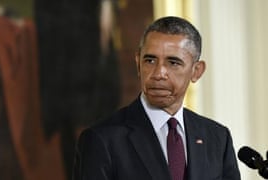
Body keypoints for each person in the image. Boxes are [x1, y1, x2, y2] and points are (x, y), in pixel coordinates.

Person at [72, 16, 241, 180]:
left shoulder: (217, 138)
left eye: (173, 63)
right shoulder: (101, 140)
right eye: (150, 60)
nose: (159, 73)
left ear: (196, 71)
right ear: (138, 63)